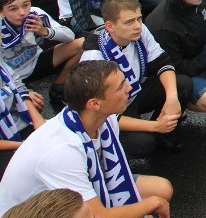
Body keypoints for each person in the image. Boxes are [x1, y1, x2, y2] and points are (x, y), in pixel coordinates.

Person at [0, 60, 173, 217]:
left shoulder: (97, 116)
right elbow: (96, 216)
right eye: (120, 87)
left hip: (73, 189)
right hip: (34, 212)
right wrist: (150, 205)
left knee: (162, 189)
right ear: (94, 104)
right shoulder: (63, 151)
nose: (129, 88)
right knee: (153, 201)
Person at [79, 0, 189, 158]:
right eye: (129, 22)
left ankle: (162, 135)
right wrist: (154, 126)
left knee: (182, 84)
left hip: (132, 93)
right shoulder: (94, 58)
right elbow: (105, 115)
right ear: (110, 26)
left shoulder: (139, 30)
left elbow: (162, 62)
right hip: (110, 111)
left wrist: (172, 98)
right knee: (143, 144)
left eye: (139, 19)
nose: (137, 26)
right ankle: (104, 159)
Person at [0, 0, 82, 105]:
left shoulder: (36, 13)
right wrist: (21, 91)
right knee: (35, 104)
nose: (22, 12)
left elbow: (70, 36)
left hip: (36, 61)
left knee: (82, 44)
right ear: (2, 12)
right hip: (13, 76)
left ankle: (59, 85)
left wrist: (44, 31)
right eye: (13, 9)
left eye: (25, 5)